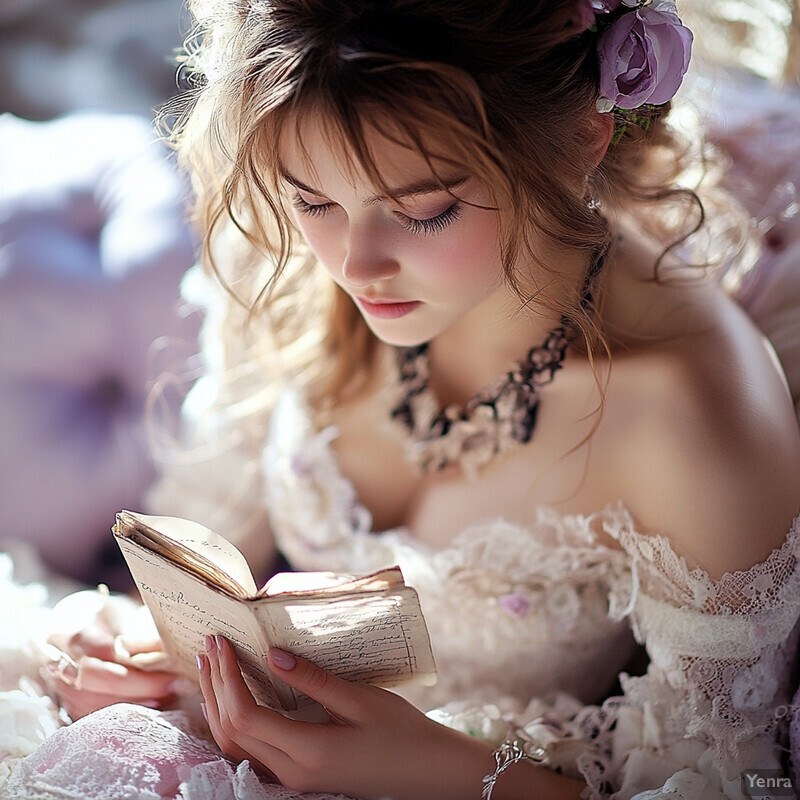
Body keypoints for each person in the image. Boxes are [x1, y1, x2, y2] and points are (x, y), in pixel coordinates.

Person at [22, 1, 800, 798]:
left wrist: (447, 772)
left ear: (579, 141)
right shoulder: (291, 255)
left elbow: (717, 780)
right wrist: (129, 640)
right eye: (312, 200)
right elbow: (208, 549)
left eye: (424, 209)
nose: (356, 264)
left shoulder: (692, 415)